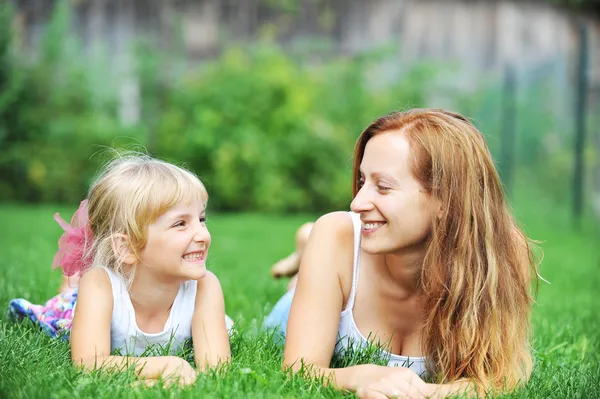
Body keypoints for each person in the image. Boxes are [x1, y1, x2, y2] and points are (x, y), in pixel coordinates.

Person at [265, 109, 539, 398]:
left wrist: (422, 394)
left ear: (446, 201)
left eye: (382, 187)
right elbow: (298, 370)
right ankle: (305, 251)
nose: (357, 202)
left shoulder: (500, 255)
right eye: (361, 182)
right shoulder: (335, 235)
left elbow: (498, 379)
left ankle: (304, 250)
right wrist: (361, 375)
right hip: (314, 291)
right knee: (316, 243)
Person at [9, 154, 232, 386]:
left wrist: (151, 384)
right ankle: (70, 282)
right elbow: (88, 363)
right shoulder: (99, 284)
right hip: (91, 299)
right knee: (70, 297)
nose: (203, 234)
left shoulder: (205, 286)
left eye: (201, 218)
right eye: (180, 224)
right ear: (127, 247)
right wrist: (168, 366)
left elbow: (216, 371)